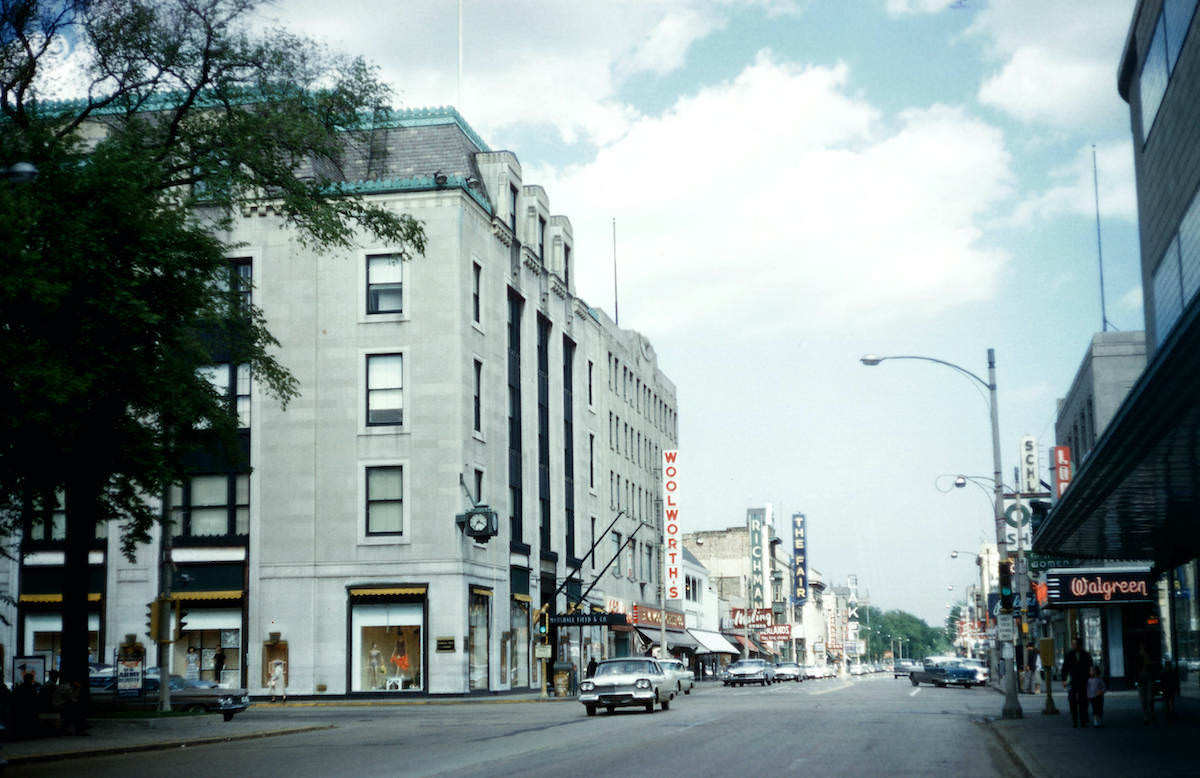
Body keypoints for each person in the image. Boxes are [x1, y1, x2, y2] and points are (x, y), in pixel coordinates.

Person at [1061, 638, 1093, 728]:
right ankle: (1074, 720)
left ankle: (1083, 720)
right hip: (1073, 680)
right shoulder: (1069, 654)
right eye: (1073, 644)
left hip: (1084, 680)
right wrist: (1064, 679)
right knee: (1072, 700)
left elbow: (1090, 666)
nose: (1073, 646)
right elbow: (1065, 667)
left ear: (1079, 645)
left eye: (1075, 644)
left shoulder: (1086, 654)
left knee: (1083, 701)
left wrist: (1091, 676)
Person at [1136, 643, 1158, 724]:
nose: (1142, 648)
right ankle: (1147, 716)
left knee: (1149, 698)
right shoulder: (1138, 656)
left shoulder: (1147, 656)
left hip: (1147, 677)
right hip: (1142, 677)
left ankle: (1150, 714)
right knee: (1144, 699)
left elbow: (1152, 666)